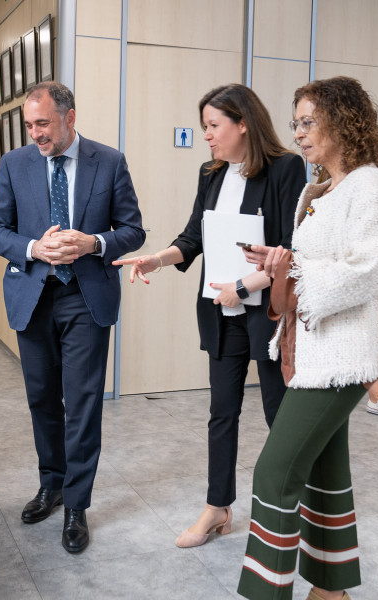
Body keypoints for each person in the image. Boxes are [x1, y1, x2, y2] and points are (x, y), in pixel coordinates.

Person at [237, 76, 378, 600]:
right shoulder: (319, 188)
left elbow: (367, 270)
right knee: (324, 467)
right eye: (295, 122)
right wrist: (282, 261)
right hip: (319, 350)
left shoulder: (370, 187)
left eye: (307, 121)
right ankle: (331, 590)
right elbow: (319, 263)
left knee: (274, 473)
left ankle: (265, 593)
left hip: (346, 352)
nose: (297, 133)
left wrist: (294, 271)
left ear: (344, 122)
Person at [113, 84, 305, 548]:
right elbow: (194, 234)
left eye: (213, 126)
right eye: (205, 127)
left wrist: (242, 286)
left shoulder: (285, 168)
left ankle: (291, 507)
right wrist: (154, 259)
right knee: (222, 413)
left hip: (268, 311)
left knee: (280, 413)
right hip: (222, 312)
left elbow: (290, 250)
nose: (207, 137)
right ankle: (218, 507)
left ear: (244, 124)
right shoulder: (212, 171)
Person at [0, 82, 145, 553]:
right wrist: (34, 248)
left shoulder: (109, 161)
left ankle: (77, 504)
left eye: (44, 124)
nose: (35, 134)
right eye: (29, 125)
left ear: (70, 118)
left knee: (83, 402)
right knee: (41, 399)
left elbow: (132, 229)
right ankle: (51, 485)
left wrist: (93, 243)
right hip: (32, 295)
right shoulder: (15, 165)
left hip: (86, 297)